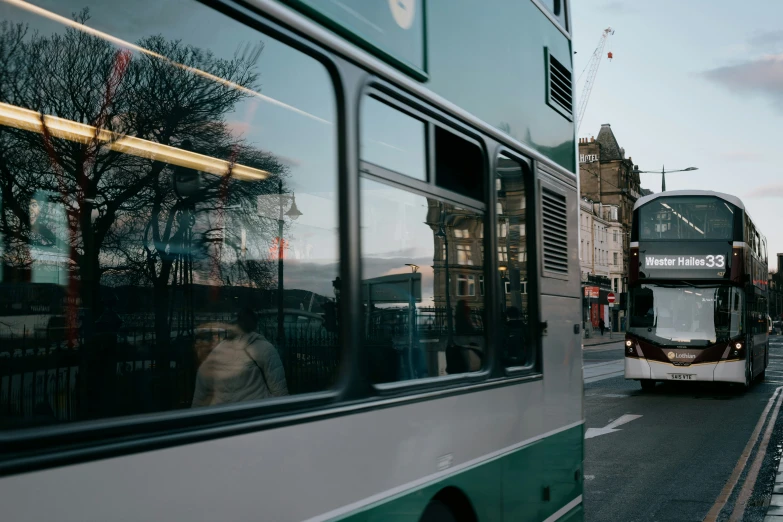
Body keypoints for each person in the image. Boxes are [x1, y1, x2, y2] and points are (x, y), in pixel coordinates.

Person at [192, 308, 288, 407]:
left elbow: (201, 393)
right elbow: (279, 391)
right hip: (255, 413)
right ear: (255, 324)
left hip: (224, 415)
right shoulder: (266, 349)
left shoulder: (219, 350)